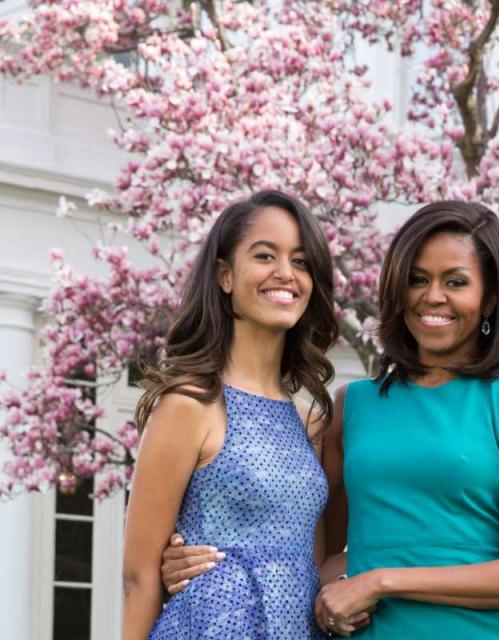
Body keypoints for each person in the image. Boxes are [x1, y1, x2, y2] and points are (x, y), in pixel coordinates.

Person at [160, 201, 499, 638]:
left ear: (489, 299)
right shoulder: (352, 405)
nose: (433, 296)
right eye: (416, 280)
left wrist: (381, 581)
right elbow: (311, 554)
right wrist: (208, 561)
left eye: (456, 282)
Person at [122, 190, 339, 639]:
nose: (286, 273)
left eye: (301, 261)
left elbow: (314, 564)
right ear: (225, 275)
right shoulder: (188, 405)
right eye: (265, 256)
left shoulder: (311, 422)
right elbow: (139, 578)